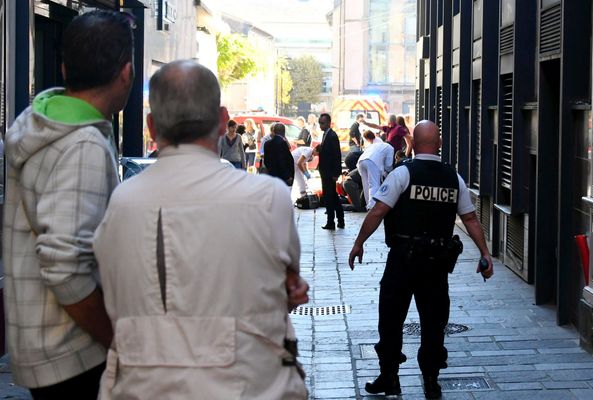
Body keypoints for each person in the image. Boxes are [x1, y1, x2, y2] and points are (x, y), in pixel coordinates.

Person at [94, 60, 309, 399]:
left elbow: (111, 293)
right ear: (224, 121)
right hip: (248, 386)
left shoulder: (122, 202)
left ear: (151, 126)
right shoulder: (268, 198)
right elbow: (287, 286)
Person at [2, 10, 134, 398]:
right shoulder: (82, 145)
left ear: (63, 66)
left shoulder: (38, 122)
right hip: (75, 353)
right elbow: (64, 266)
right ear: (126, 73)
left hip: (43, 344)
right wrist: (117, 340)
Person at [348, 120, 494, 399]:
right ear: (439, 144)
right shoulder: (454, 179)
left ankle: (389, 376)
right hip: (436, 265)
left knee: (391, 318)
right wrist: (485, 254)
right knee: (433, 322)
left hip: (402, 261)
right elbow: (470, 218)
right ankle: (430, 380)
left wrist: (358, 243)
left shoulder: (403, 174)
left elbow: (378, 210)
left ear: (413, 143)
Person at [318, 113, 344, 229]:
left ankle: (331, 221)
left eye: (322, 123)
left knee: (330, 197)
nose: (320, 125)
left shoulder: (332, 136)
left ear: (329, 123)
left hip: (329, 173)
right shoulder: (325, 135)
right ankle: (339, 220)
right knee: (332, 196)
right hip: (325, 171)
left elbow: (336, 155)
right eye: (320, 123)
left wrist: (336, 173)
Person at [357, 130, 394, 210]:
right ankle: (373, 207)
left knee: (366, 185)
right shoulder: (390, 148)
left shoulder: (377, 145)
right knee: (374, 184)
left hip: (361, 161)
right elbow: (388, 165)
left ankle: (368, 205)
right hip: (372, 161)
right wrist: (390, 172)